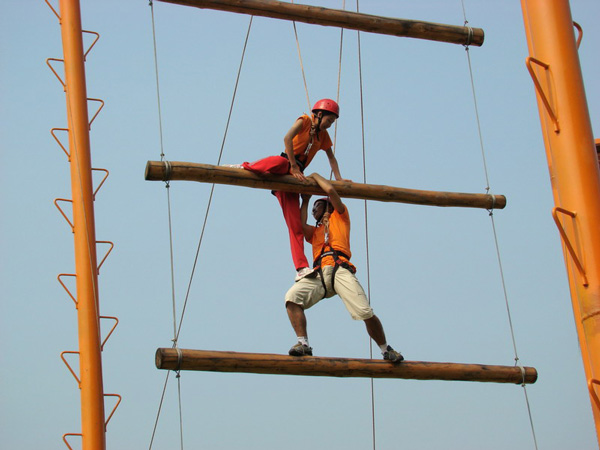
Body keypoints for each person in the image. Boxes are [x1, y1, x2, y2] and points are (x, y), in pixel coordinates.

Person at [283, 172, 404, 362]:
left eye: (317, 204)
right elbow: (298, 225)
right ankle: (303, 343)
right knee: (292, 298)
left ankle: (385, 349)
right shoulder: (316, 232)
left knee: (364, 311)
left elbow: (330, 190)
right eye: (313, 207)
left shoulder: (340, 217)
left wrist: (315, 176)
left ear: (328, 206)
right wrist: (305, 201)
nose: (314, 209)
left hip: (340, 268)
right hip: (320, 273)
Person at [233, 99, 347, 281]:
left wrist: (339, 179)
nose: (330, 125)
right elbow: (287, 138)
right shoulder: (305, 120)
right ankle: (245, 167)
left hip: (295, 177)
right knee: (280, 162)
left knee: (296, 227)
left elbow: (331, 157)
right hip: (288, 164)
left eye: (332, 122)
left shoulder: (323, 136)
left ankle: (301, 267)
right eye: (329, 120)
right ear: (319, 114)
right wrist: (293, 166)